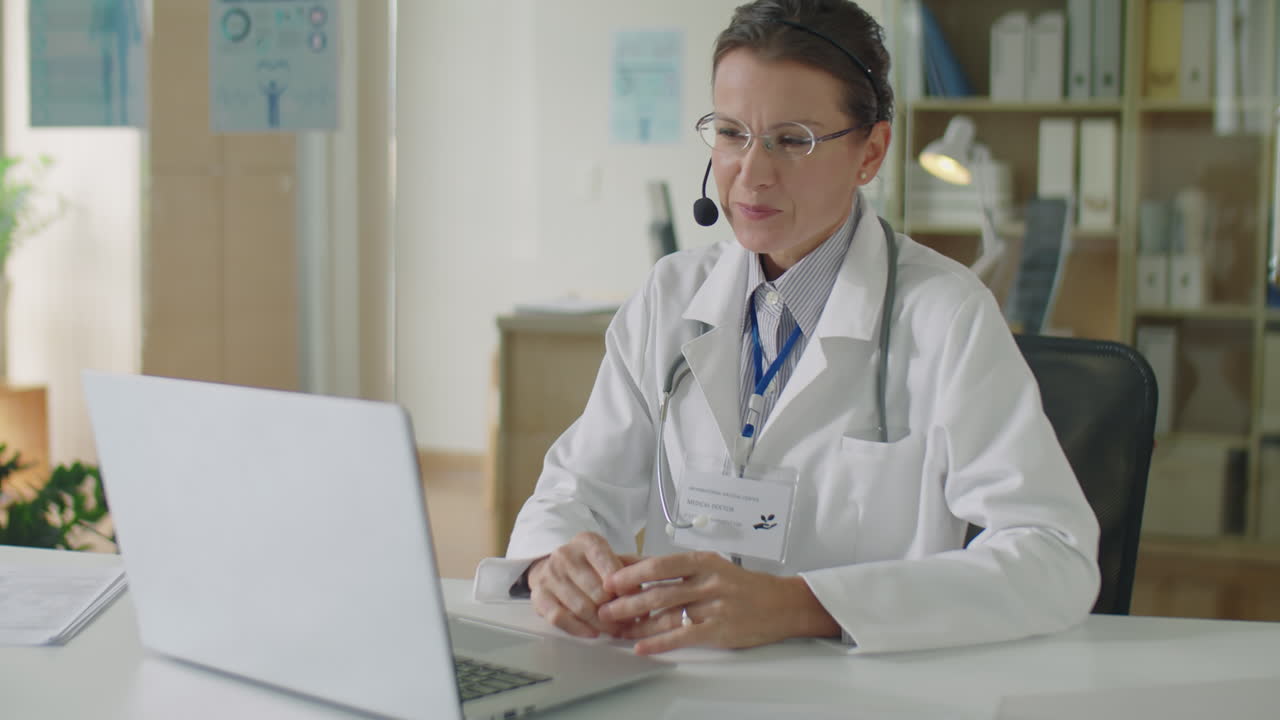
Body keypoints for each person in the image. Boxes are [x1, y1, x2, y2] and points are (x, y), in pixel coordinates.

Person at [474, 0, 1100, 655]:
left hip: (858, 696)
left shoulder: (945, 314)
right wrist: (555, 560)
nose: (751, 171)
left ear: (871, 152)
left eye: (792, 139)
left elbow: (1054, 558)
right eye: (731, 132)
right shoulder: (670, 297)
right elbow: (577, 492)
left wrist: (804, 605)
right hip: (678, 681)